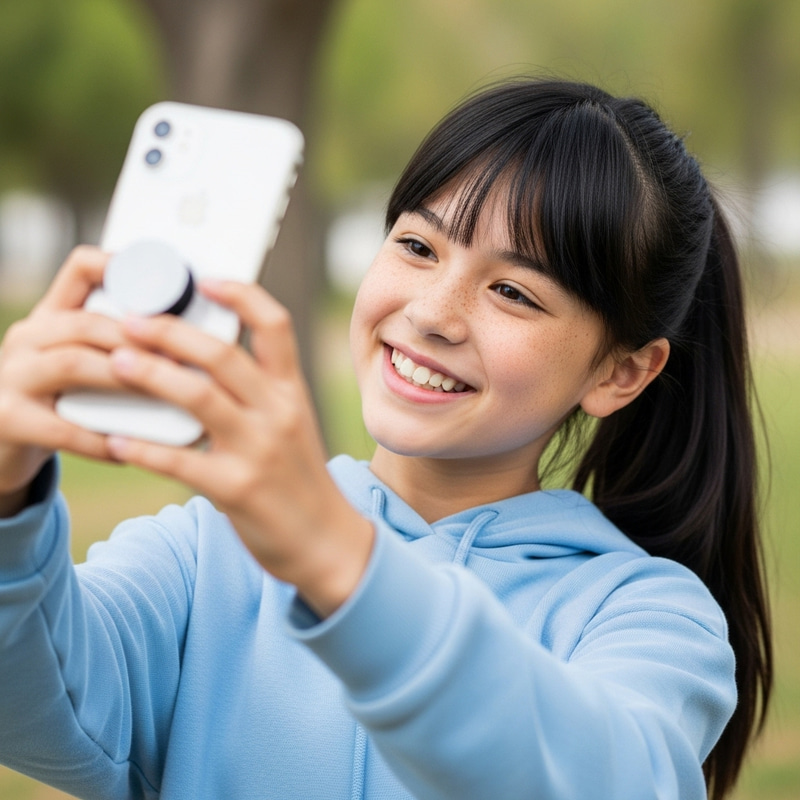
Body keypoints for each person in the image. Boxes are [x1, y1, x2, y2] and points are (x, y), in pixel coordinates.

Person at [0, 78, 771, 800]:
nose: (434, 311)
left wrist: (340, 562)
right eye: (418, 247)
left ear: (621, 374)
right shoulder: (207, 556)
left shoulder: (645, 616)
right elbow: (37, 705)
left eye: (513, 291)